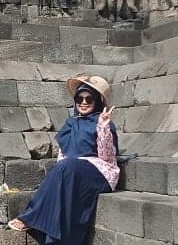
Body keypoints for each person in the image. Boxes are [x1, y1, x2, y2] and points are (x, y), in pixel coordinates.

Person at [8, 75, 119, 245]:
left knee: (67, 166)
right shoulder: (70, 123)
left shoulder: (103, 122)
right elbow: (64, 154)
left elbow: (107, 157)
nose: (83, 102)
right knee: (62, 177)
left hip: (99, 172)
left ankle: (31, 217)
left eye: (89, 98)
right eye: (79, 98)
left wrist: (103, 126)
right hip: (71, 171)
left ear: (97, 101)